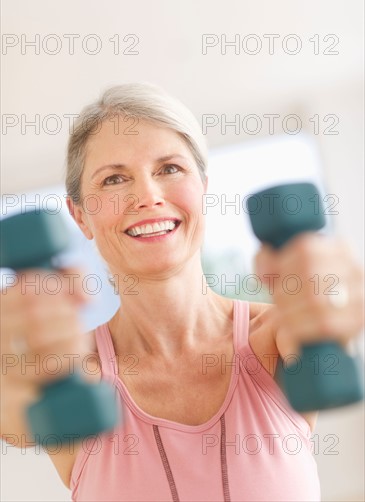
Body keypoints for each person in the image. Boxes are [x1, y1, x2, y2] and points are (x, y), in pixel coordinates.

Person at [1, 83, 364, 502]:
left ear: (203, 188)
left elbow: (323, 327)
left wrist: (334, 295)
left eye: (169, 169)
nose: (148, 197)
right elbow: (13, 407)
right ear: (80, 216)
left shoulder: (277, 339)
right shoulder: (65, 373)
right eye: (115, 179)